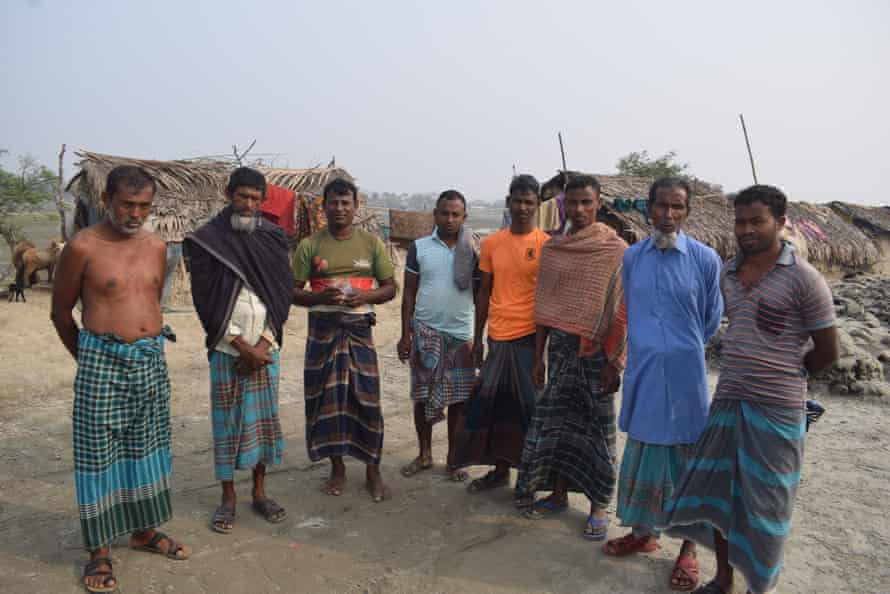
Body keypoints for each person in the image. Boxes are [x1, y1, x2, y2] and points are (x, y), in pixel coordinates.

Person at [660, 184, 840, 594]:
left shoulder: (804, 278)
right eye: (740, 221)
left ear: (780, 222)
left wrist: (786, 375)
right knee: (721, 499)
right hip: (728, 401)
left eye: (756, 221)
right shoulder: (728, 271)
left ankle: (760, 587)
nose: (746, 229)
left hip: (777, 410)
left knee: (767, 508)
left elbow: (828, 350)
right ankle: (723, 580)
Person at [51, 166, 191, 593]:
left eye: (144, 206)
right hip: (101, 364)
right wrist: (91, 360)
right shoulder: (82, 247)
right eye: (127, 204)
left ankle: (144, 531)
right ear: (107, 199)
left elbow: (147, 299)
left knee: (146, 449)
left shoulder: (157, 246)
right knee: (98, 457)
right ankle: (99, 551)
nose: (135, 213)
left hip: (149, 362)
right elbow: (61, 314)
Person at [603, 178, 723, 592]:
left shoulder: (706, 260)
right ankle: (644, 533)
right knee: (643, 452)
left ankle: (689, 548)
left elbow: (710, 319)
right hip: (644, 373)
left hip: (687, 377)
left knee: (687, 459)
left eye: (677, 208)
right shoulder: (633, 258)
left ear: (687, 212)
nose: (668, 216)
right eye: (661, 207)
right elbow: (630, 311)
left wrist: (678, 349)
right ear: (648, 209)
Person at [516, 174, 628, 539]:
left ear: (598, 205)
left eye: (586, 202)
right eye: (572, 202)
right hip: (561, 351)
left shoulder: (615, 250)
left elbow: (621, 309)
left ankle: (598, 505)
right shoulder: (554, 249)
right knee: (558, 424)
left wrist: (615, 361)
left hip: (597, 355)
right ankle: (559, 492)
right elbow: (544, 306)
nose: (579, 209)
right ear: (563, 205)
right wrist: (538, 359)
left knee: (597, 429)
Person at [184, 167, 294, 534]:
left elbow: (281, 294)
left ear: (263, 201)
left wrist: (263, 344)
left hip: (266, 348)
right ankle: (228, 497)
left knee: (263, 425)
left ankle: (260, 492)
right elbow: (206, 301)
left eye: (255, 198)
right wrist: (240, 345)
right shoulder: (207, 240)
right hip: (227, 347)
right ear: (228, 194)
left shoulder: (274, 238)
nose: (248, 204)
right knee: (227, 425)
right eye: (242, 196)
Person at [292, 178, 396, 502]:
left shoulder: (371, 244)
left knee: (367, 400)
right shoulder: (309, 245)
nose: (339, 208)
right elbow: (292, 292)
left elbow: (391, 287)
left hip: (359, 331)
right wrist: (319, 295)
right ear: (324, 206)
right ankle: (337, 469)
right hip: (323, 332)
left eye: (345, 202)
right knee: (327, 401)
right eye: (333, 203)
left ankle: (372, 470)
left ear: (355, 206)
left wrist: (365, 295)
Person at [450, 174, 549, 504]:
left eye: (529, 202)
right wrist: (477, 339)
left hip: (529, 340)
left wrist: (540, 355)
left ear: (537, 205)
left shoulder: (546, 245)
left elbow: (547, 300)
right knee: (494, 408)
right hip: (497, 338)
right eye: (517, 201)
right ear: (508, 202)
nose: (522, 207)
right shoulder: (492, 243)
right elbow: (483, 292)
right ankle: (499, 470)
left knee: (529, 411)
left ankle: (528, 479)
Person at [397, 190, 478, 482]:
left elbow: (481, 296)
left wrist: (480, 339)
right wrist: (404, 333)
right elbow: (408, 292)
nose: (450, 218)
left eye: (456, 214)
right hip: (425, 332)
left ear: (464, 217)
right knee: (422, 397)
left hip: (461, 335)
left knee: (458, 401)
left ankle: (454, 460)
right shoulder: (419, 248)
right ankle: (424, 454)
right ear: (435, 214)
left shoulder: (474, 249)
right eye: (444, 212)